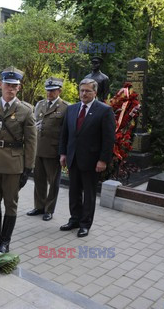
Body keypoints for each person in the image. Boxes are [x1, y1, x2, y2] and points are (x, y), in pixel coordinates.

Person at [0, 66, 36, 253]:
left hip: (13, 164)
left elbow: (32, 142)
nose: (10, 88)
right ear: (0, 85)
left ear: (19, 88)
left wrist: (28, 169)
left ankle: (5, 241)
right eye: (7, 85)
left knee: (10, 203)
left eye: (14, 86)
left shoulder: (26, 111)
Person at [59, 78, 115, 237]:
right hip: (73, 158)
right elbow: (65, 134)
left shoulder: (104, 110)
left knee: (89, 194)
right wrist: (63, 153)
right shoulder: (71, 109)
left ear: (95, 92)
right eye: (82, 90)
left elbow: (108, 138)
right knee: (73, 191)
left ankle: (85, 224)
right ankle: (74, 219)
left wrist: (103, 160)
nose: (84, 93)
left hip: (92, 161)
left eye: (88, 91)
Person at [27, 77, 69, 221]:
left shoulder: (65, 107)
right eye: (48, 90)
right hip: (38, 148)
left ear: (59, 91)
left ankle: (49, 209)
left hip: (53, 150)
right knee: (38, 179)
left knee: (53, 182)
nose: (49, 93)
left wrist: (63, 152)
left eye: (52, 91)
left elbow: (66, 132)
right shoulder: (40, 104)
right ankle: (39, 206)